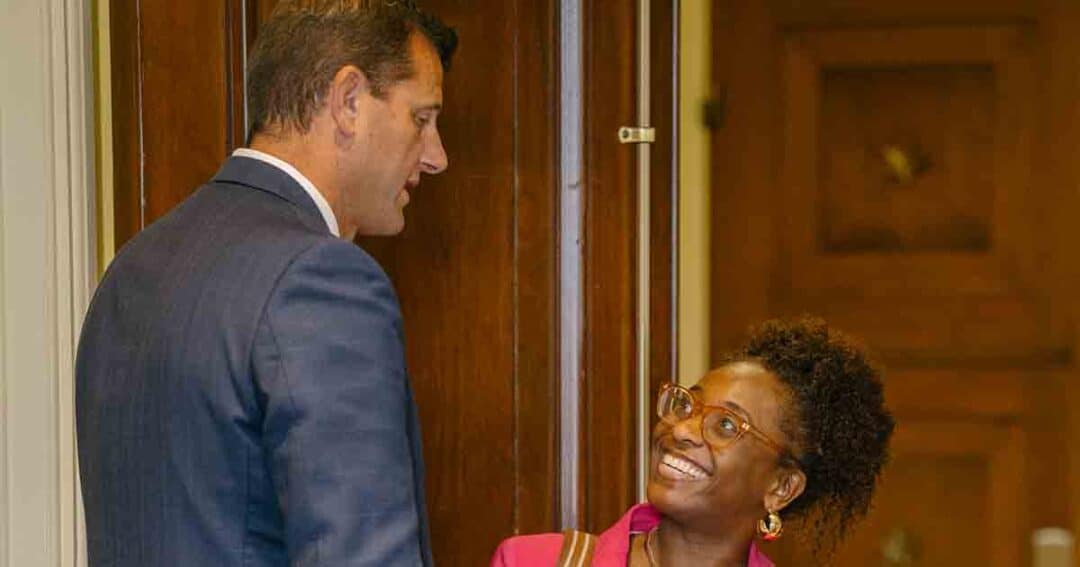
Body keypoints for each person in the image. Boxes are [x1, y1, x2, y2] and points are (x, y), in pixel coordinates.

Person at [75, 1, 456, 565]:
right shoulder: (323, 279)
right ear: (349, 101)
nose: (437, 157)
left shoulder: (132, 267)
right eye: (421, 119)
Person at [491, 318, 895, 566]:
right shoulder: (532, 561)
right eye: (687, 406)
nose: (682, 430)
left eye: (726, 425)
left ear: (781, 487)